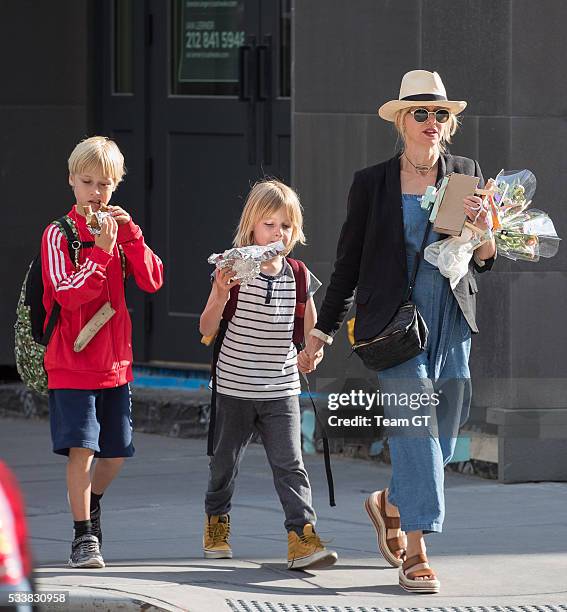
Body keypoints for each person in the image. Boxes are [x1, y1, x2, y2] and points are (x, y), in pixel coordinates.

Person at [300, 70, 496, 593]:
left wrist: (488, 232)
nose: (432, 122)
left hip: (451, 321)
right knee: (418, 431)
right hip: (395, 324)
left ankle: (388, 503)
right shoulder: (373, 183)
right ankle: (417, 549)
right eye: (421, 113)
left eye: (441, 114)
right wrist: (320, 333)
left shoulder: (465, 173)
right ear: (402, 121)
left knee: (446, 437)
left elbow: (481, 261)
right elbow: (347, 266)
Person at [199, 179, 337, 570]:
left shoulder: (299, 274)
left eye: (286, 226)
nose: (278, 233)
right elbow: (206, 327)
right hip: (234, 387)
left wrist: (314, 352)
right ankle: (217, 520)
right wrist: (221, 292)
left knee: (290, 463)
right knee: (224, 463)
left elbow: (312, 330)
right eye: (269, 225)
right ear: (252, 227)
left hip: (281, 388)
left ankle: (302, 536)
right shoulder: (234, 269)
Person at [41, 136, 164, 568]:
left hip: (116, 364)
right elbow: (66, 293)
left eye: (104, 184)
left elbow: (152, 280)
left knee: (115, 454)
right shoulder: (58, 233)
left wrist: (129, 236)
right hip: (71, 361)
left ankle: (89, 504)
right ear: (72, 180)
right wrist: (101, 252)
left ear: (117, 184)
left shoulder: (120, 227)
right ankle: (82, 537)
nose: (96, 192)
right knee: (83, 450)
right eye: (87, 181)